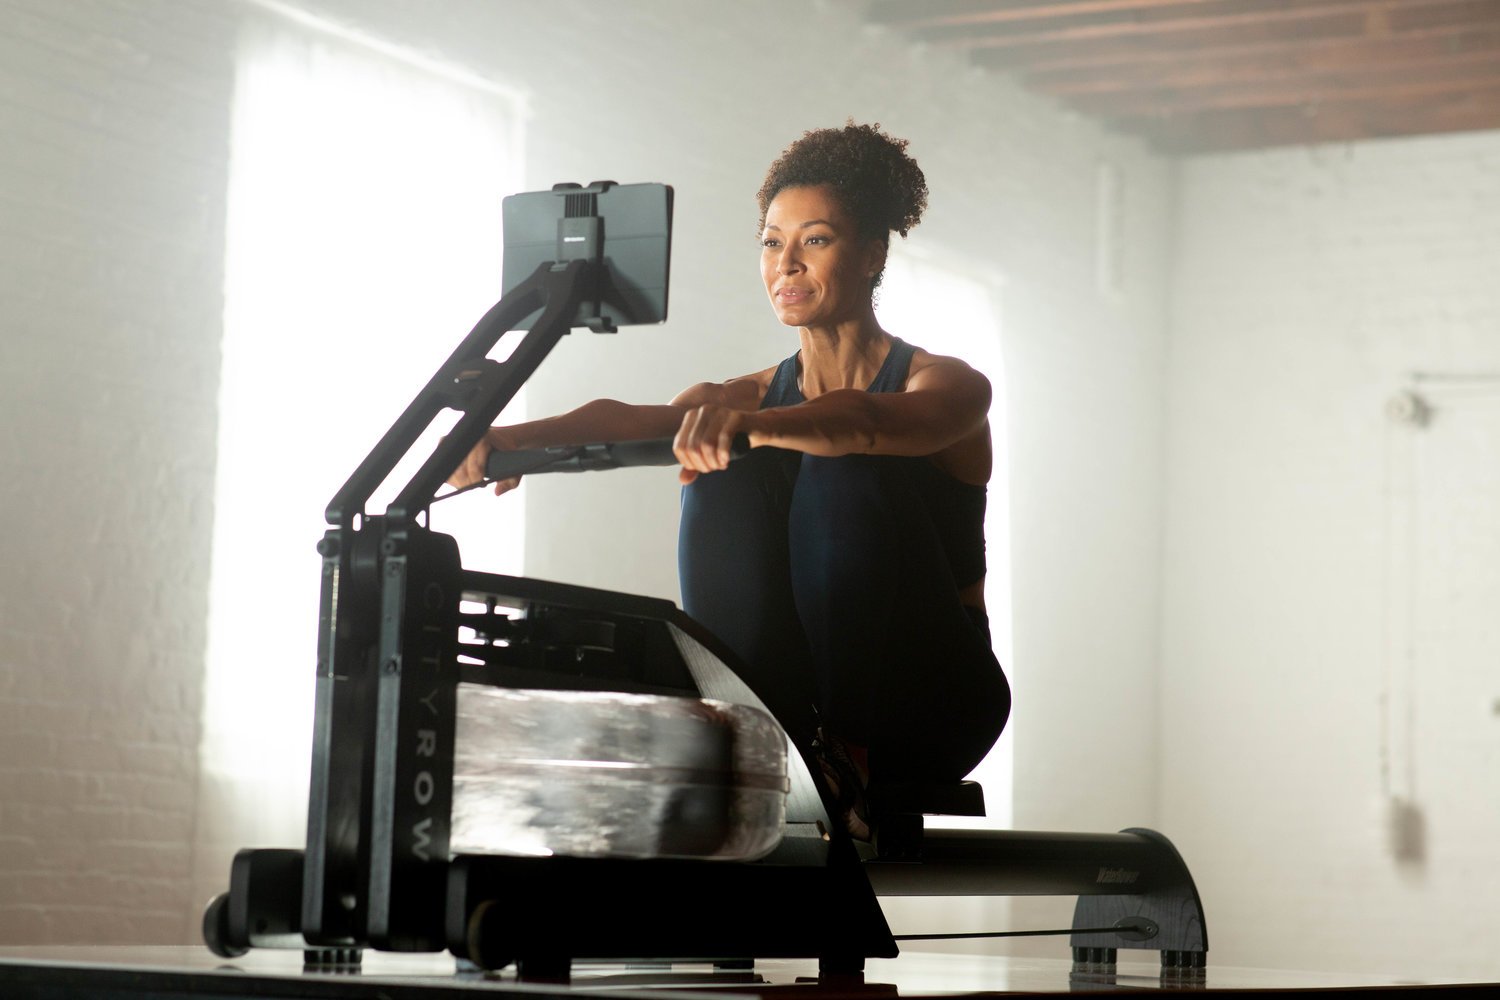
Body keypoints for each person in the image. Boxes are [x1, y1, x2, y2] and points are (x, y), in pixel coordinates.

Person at [450, 123, 1010, 839]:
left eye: (815, 239)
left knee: (839, 465)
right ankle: (747, 725)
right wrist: (502, 440)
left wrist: (749, 426)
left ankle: (844, 759)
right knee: (719, 473)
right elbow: (630, 419)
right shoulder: (745, 395)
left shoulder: (946, 385)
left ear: (872, 254)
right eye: (773, 243)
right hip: (797, 723)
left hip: (934, 702)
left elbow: (862, 420)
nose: (788, 265)